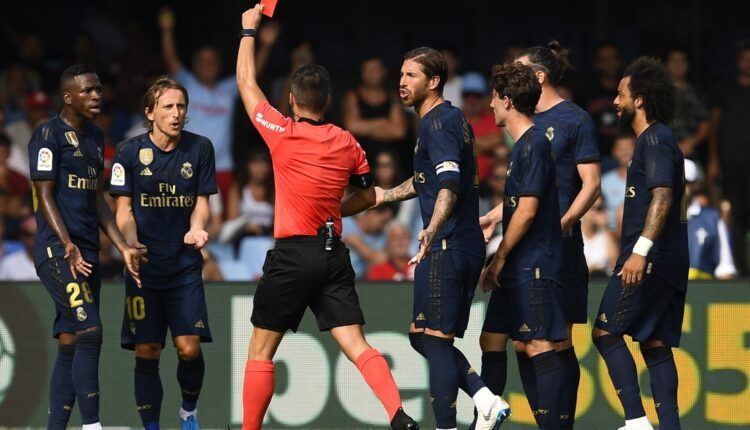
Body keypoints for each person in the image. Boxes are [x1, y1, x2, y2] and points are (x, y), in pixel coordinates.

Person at [235, 5, 418, 430]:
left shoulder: (280, 132)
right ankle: (397, 413)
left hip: (292, 253)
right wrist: (355, 201)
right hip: (333, 252)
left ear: (293, 100)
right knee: (356, 343)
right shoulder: (347, 142)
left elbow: (246, 81)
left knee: (261, 351)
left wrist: (249, 29)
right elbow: (366, 193)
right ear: (329, 101)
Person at [374, 46, 509, 430]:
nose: (401, 82)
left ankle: (461, 416)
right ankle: (484, 398)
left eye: (411, 75)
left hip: (447, 243)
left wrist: (432, 230)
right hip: (460, 243)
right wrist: (384, 195)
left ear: (434, 82)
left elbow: (447, 182)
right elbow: (427, 181)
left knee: (434, 341)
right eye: (400, 74)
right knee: (422, 338)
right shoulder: (445, 121)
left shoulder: (439, 122)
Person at [28, 65, 140, 430]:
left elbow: (97, 201)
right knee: (91, 331)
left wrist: (121, 246)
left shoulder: (94, 137)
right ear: (68, 97)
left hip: (88, 252)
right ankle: (93, 426)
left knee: (70, 341)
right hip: (57, 251)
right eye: (89, 90)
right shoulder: (47, 135)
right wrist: (67, 244)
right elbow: (44, 195)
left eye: (99, 89)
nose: (97, 95)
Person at [502, 41, 600, 429]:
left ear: (539, 76)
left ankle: (560, 423)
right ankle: (547, 420)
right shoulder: (524, 125)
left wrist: (564, 222)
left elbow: (590, 185)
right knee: (522, 342)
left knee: (556, 342)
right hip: (525, 244)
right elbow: (528, 190)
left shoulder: (575, 119)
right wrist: (495, 216)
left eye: (520, 70)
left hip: (557, 248)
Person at [110, 76, 217, 430]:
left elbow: (201, 203)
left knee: (188, 348)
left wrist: (198, 226)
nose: (176, 113)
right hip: (143, 266)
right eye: (168, 106)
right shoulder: (128, 152)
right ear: (150, 112)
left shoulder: (200, 148)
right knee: (147, 351)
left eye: (181, 106)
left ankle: (188, 411)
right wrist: (130, 240)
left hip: (184, 266)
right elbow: (123, 210)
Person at [592, 57, 688, 430]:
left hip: (651, 259)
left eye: (620, 94)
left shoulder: (656, 139)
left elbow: (662, 197)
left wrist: (639, 252)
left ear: (641, 99)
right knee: (655, 344)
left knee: (605, 332)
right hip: (667, 260)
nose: (615, 101)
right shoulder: (656, 139)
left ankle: (636, 421)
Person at [478, 62, 567, 430]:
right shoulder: (521, 147)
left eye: (495, 98)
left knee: (538, 345)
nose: (490, 106)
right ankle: (486, 418)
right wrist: (495, 217)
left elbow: (528, 211)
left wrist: (498, 257)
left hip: (532, 263)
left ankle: (553, 426)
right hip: (517, 263)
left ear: (508, 101)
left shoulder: (532, 144)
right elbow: (519, 204)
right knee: (492, 340)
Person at [158, 7, 277, 205]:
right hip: (190, 163)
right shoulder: (187, 84)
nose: (208, 65)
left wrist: (265, 44)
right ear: (194, 64)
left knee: (220, 221)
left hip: (222, 166)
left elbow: (249, 75)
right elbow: (171, 60)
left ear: (220, 65)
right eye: (203, 61)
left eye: (213, 61)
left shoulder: (228, 89)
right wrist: (167, 30)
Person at [707, 41, 750, 275]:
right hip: (732, 160)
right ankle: (741, 268)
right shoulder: (725, 88)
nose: (748, 63)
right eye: (745, 58)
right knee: (736, 214)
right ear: (738, 61)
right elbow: (714, 127)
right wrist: (714, 160)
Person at [342, 55, 407, 167]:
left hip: (389, 160)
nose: (370, 74)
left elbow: (399, 131)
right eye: (367, 69)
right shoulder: (352, 97)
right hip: (358, 159)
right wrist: (383, 122)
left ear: (384, 72)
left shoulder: (393, 97)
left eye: (375, 69)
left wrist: (365, 129)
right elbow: (352, 127)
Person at [684, 159, 736, 280]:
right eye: (674, 182)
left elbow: (725, 268)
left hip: (701, 294)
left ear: (695, 184)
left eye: (685, 182)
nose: (680, 186)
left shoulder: (713, 218)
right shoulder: (655, 218)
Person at [664, 48, 709, 159]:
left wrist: (691, 142)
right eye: (674, 61)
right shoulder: (655, 93)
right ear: (666, 64)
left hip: (691, 153)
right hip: (662, 153)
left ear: (688, 65)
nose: (678, 65)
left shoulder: (698, 93)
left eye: (682, 61)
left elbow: (706, 124)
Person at [461, 72, 504, 184]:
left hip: (487, 184)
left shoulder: (493, 118)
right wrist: (484, 144)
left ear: (483, 98)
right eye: (467, 95)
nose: (472, 100)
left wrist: (465, 144)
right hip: (461, 184)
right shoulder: (455, 119)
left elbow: (497, 140)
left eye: (476, 95)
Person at [224, 151, 274, 240]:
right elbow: (232, 219)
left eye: (264, 163)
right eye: (255, 162)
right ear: (247, 165)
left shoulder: (275, 190)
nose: (260, 168)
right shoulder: (238, 188)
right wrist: (248, 227)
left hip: (269, 239)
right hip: (243, 237)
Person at [601, 131, 636, 231]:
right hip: (611, 235)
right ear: (614, 152)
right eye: (621, 148)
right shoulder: (604, 182)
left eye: (629, 148)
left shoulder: (647, 180)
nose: (625, 152)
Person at [0, 216, 38, 280]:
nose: (34, 239)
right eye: (28, 235)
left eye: (37, 235)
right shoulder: (9, 263)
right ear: (21, 236)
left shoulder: (54, 262)